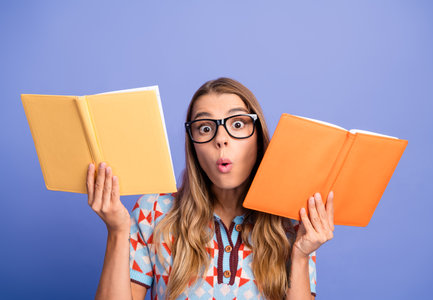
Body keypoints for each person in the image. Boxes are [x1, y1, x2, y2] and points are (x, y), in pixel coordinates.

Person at [86, 77, 335, 300]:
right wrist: (118, 231)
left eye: (237, 124)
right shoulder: (153, 213)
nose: (220, 139)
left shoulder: (292, 225)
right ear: (193, 145)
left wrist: (301, 255)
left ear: (258, 137)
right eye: (205, 128)